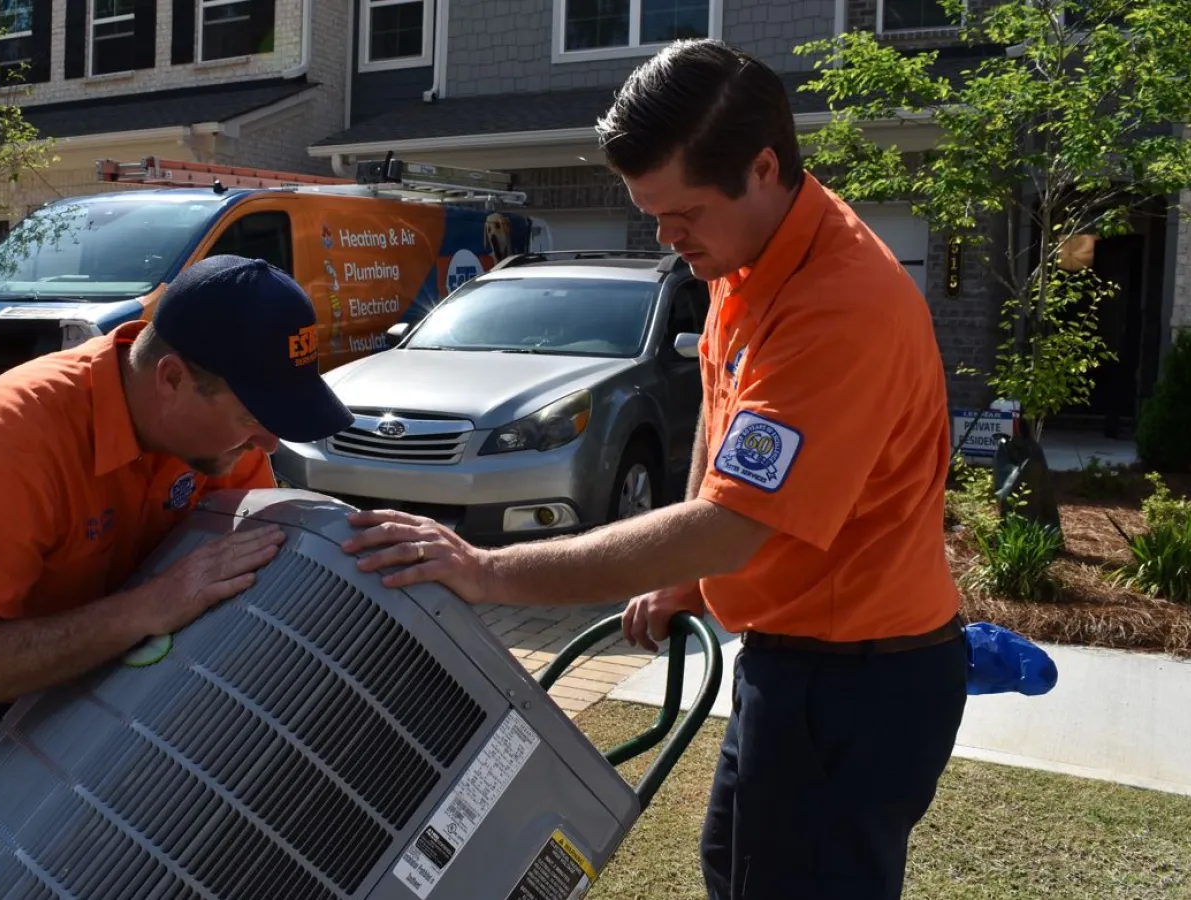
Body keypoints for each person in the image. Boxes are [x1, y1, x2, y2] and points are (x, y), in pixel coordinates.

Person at [342, 39, 967, 900]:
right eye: (652, 214)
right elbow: (722, 430)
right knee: (731, 871)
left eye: (684, 214)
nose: (667, 239)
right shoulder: (745, 261)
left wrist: (486, 571)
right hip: (794, 663)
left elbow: (730, 524)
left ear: (763, 167)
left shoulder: (840, 306)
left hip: (856, 681)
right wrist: (690, 585)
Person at [0, 254, 352, 858]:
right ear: (171, 379)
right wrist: (147, 610)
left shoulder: (216, 438)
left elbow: (250, 559)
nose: (268, 443)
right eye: (251, 419)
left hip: (89, 657)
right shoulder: (1, 443)